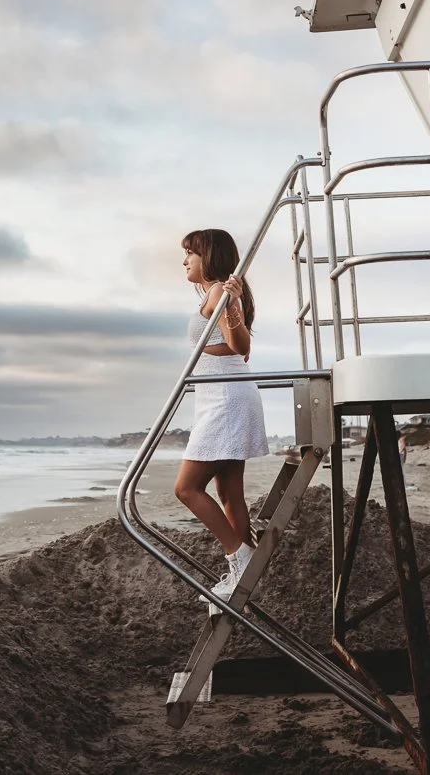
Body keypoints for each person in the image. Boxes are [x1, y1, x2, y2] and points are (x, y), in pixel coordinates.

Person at [173, 229, 268, 609]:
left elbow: (240, 347)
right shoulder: (217, 292)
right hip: (222, 397)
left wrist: (230, 302)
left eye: (189, 255)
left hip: (227, 400)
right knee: (229, 494)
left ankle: (239, 556)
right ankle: (239, 576)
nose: (184, 262)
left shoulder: (219, 291)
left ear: (207, 255)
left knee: (186, 489)